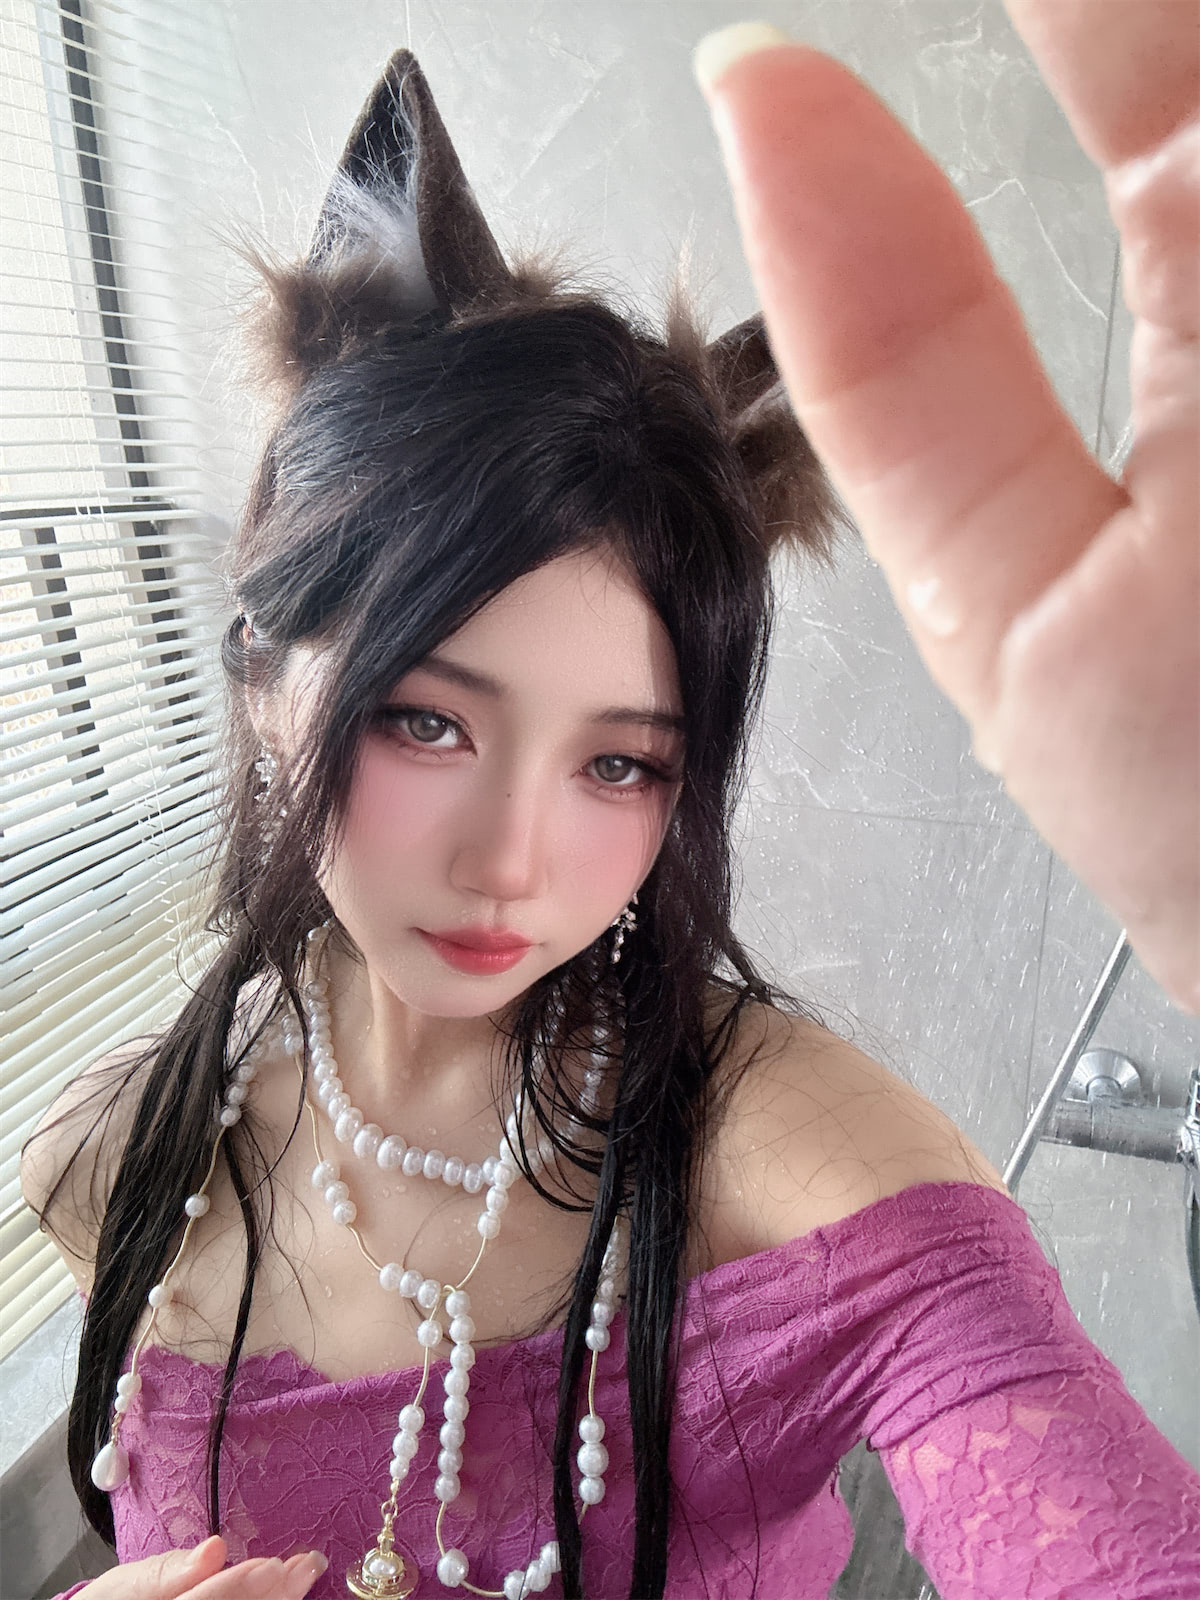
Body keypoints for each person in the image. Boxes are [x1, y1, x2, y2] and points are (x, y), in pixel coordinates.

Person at [20, 10, 1199, 1600]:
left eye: (620, 764)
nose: (510, 860)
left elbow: (1062, 1482)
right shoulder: (113, 1163)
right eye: (426, 720)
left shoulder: (778, 1159)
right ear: (256, 673)